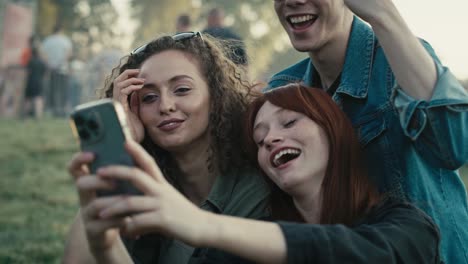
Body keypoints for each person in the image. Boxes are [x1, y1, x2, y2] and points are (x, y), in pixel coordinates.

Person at [92, 84, 441, 263]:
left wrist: (204, 226)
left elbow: (364, 256)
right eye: (260, 140)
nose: (272, 138)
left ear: (334, 132)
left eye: (289, 122)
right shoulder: (245, 249)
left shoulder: (407, 225)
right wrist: (106, 248)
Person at [265, 1, 468, 263]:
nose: (293, 1)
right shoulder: (284, 89)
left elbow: (454, 147)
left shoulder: (397, 59)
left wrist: (383, 15)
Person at [62, 32, 269, 263]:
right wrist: (120, 142)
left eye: (181, 90)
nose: (166, 106)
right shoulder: (139, 184)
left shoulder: (256, 184)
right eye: (149, 97)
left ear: (217, 96)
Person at [41, 23, 73, 117]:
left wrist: (50, 64)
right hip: (62, 69)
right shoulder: (65, 40)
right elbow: (69, 53)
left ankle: (54, 110)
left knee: (53, 90)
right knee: (63, 90)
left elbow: (43, 55)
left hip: (51, 69)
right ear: (61, 30)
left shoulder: (48, 41)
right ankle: (62, 110)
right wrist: (61, 61)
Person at [23, 46, 47, 118]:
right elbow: (45, 74)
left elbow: (27, 72)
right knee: (38, 99)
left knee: (28, 99)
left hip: (30, 82)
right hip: (39, 82)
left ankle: (25, 116)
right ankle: (38, 116)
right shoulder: (42, 62)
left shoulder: (30, 61)